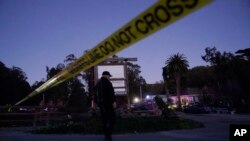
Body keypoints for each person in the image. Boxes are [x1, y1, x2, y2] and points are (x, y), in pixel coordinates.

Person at [93, 71, 116, 141]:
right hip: (108, 104)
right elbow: (110, 93)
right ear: (106, 75)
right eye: (109, 76)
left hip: (101, 105)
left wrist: (97, 103)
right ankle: (109, 135)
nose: (109, 78)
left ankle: (106, 135)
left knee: (104, 120)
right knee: (112, 119)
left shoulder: (98, 83)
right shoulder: (107, 82)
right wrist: (113, 101)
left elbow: (94, 94)